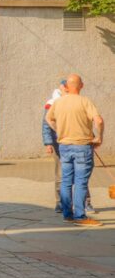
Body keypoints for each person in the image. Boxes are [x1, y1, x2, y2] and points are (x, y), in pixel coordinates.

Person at [45, 74, 105, 226]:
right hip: (82, 146)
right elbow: (98, 120)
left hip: (64, 146)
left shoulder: (58, 102)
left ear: (67, 86)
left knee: (66, 181)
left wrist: (58, 130)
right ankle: (80, 216)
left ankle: (67, 214)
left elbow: (48, 118)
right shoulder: (85, 101)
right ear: (81, 86)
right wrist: (99, 137)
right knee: (80, 182)